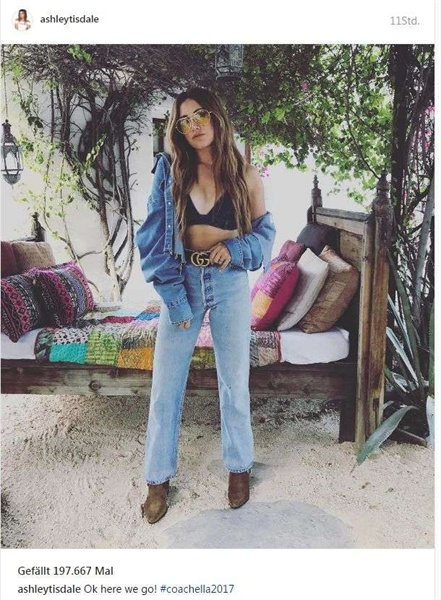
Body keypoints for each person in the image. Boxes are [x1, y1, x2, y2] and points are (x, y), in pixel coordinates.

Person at [136, 87, 276, 524]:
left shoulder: (245, 174)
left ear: (216, 117)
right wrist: (175, 299)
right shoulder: (170, 171)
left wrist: (234, 249)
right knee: (165, 383)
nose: (193, 126)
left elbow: (264, 238)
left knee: (233, 380)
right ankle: (157, 478)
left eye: (200, 115)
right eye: (184, 120)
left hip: (229, 283)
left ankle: (238, 467)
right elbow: (153, 240)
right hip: (183, 281)